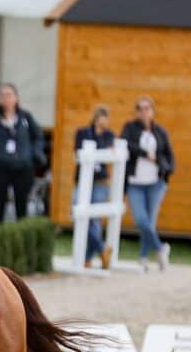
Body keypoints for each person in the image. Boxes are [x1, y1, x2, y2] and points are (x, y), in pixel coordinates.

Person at [122, 95, 174, 271]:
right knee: (141, 220)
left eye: (147, 108)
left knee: (149, 223)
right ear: (136, 112)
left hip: (155, 183)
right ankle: (160, 249)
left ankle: (143, 257)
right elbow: (126, 145)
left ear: (152, 111)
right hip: (135, 182)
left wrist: (166, 170)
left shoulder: (160, 132)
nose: (143, 112)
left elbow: (168, 156)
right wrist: (145, 154)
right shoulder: (130, 128)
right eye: (140, 108)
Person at [0, 83, 44, 225]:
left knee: (21, 205)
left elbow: (38, 137)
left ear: (16, 98)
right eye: (3, 95)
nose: (6, 98)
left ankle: (20, 238)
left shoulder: (25, 118)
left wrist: (33, 153)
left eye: (9, 95)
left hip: (22, 167)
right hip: (0, 167)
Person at [74, 105, 116, 269]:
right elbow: (78, 151)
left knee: (95, 220)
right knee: (79, 212)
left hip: (99, 181)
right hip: (82, 180)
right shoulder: (83, 132)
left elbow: (109, 154)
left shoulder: (109, 135)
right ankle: (102, 249)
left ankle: (88, 257)